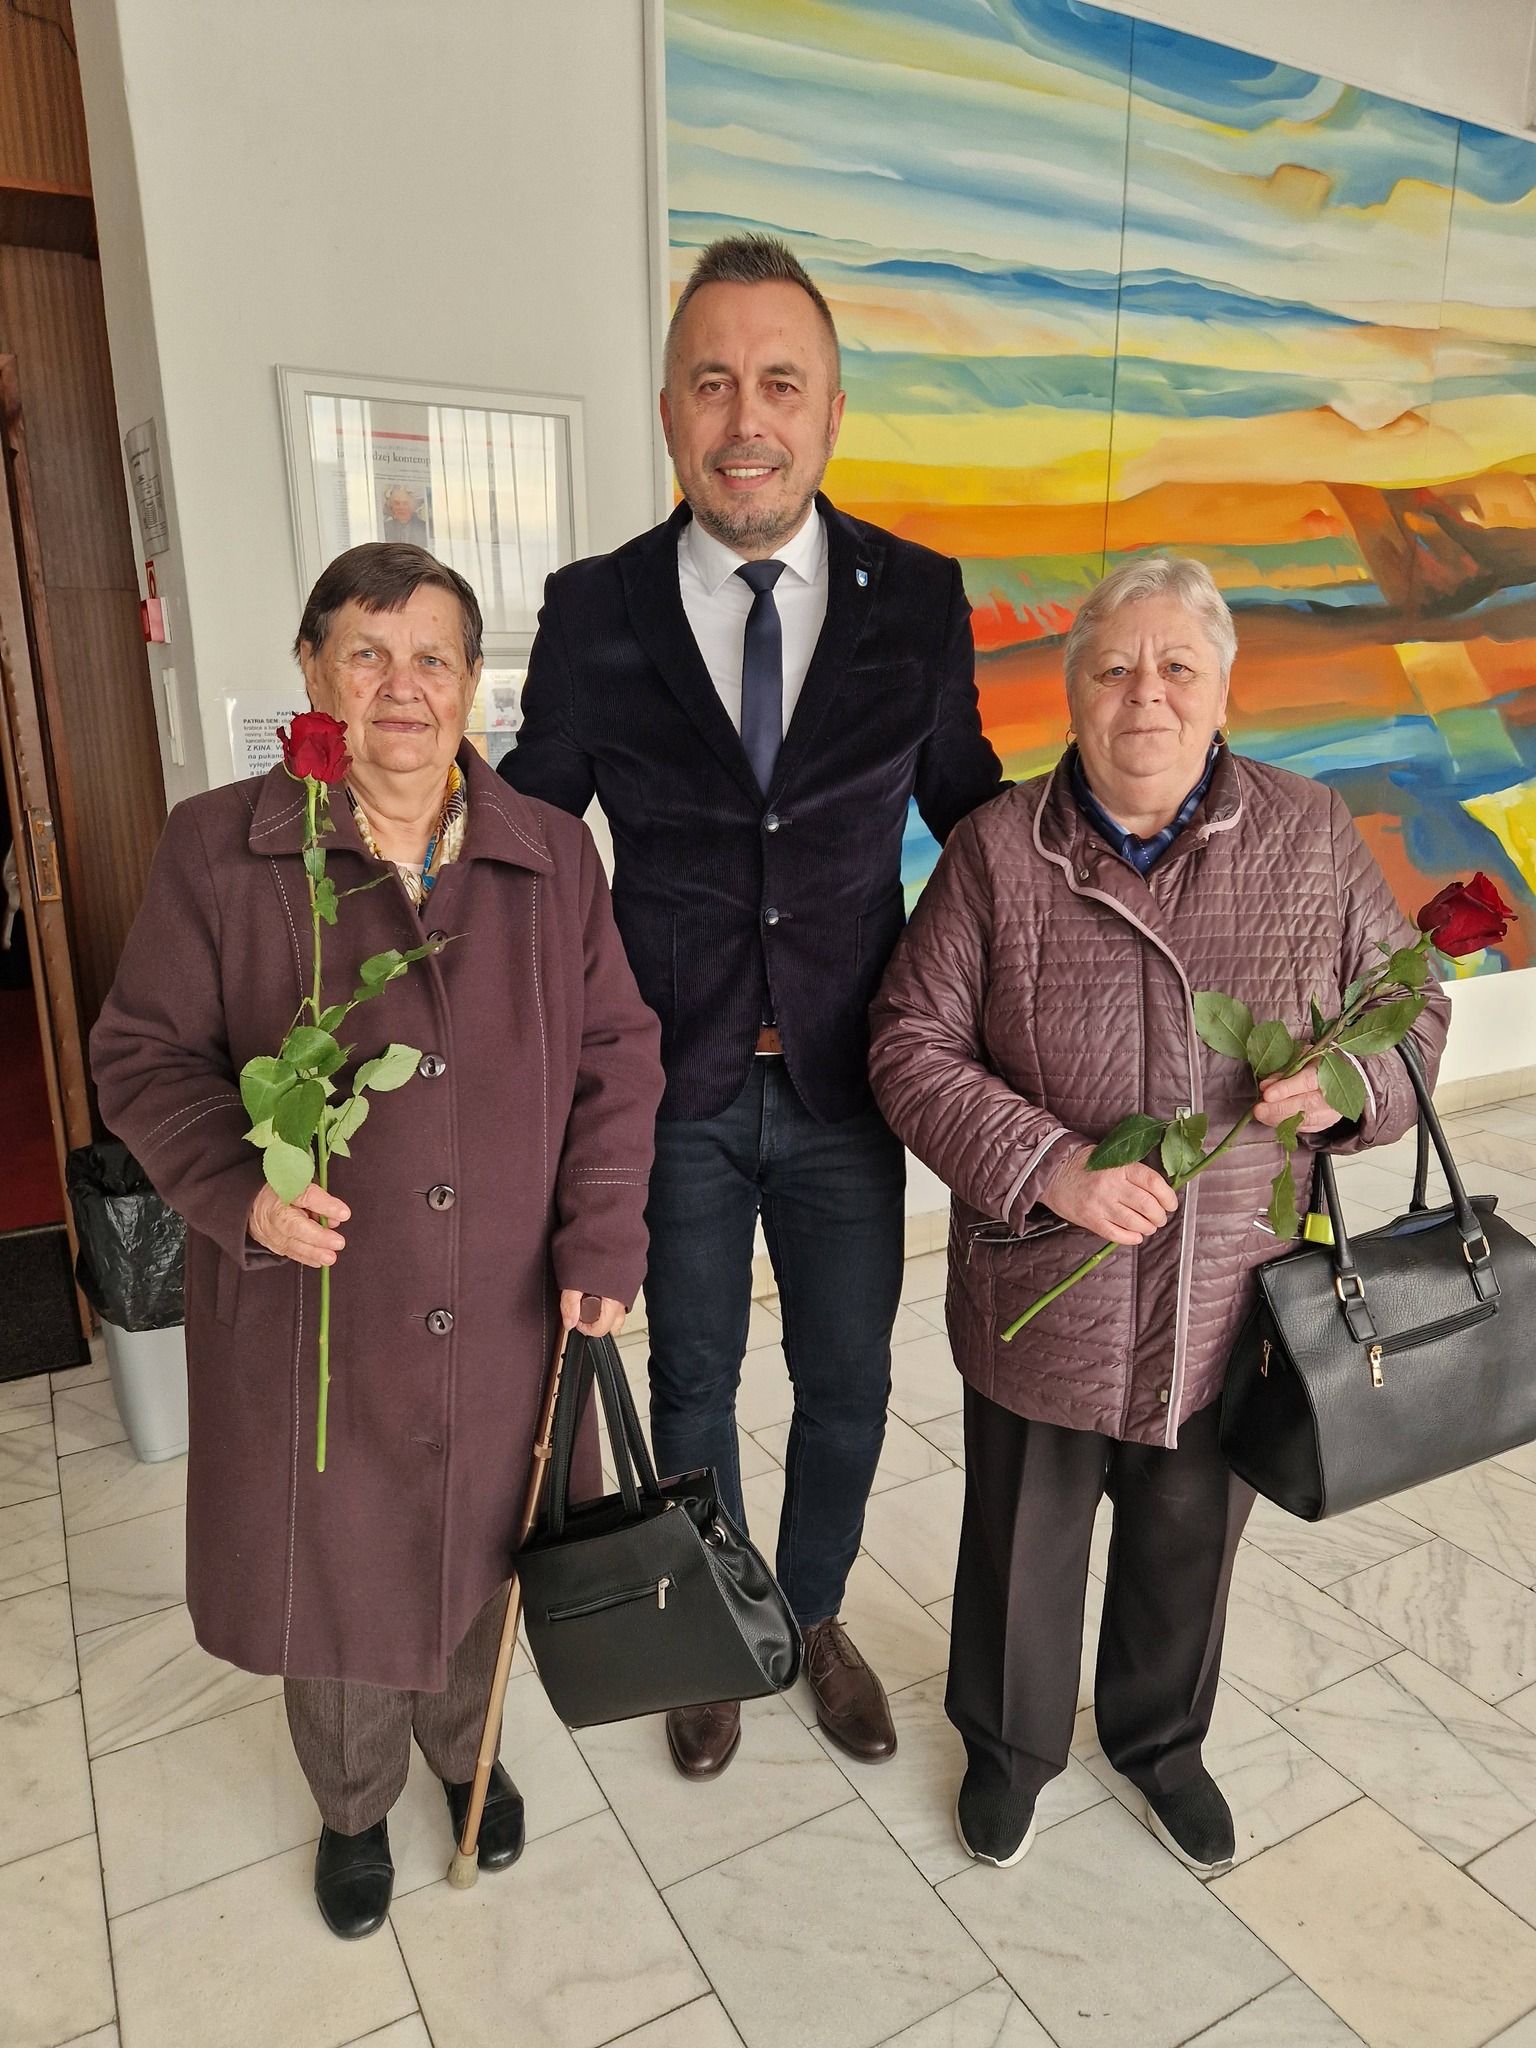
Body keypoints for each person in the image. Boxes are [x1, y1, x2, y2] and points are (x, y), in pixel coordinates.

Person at [91, 542, 663, 1937]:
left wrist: (602, 1242)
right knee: (338, 1558)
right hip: (318, 1300)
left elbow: (618, 1054)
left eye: (433, 659)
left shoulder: (549, 854)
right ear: (312, 670)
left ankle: (467, 1756)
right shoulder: (222, 849)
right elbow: (144, 1055)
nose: (402, 687)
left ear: (473, 685)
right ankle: (351, 1804)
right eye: (366, 653)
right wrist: (243, 1194)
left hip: (509, 1301)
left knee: (486, 1541)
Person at [500, 234, 1005, 1778]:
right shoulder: (593, 606)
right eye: (712, 382)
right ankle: (715, 1624)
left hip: (857, 1075)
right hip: (674, 1082)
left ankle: (817, 1607)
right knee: (694, 1376)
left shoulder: (918, 599)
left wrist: (1139, 883)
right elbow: (532, 825)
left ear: (830, 411)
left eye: (781, 383)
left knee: (851, 1379)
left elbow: (975, 813)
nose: (746, 419)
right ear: (668, 410)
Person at [868, 555, 1450, 1874]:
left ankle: (1162, 1746)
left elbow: (1410, 1009)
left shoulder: (1309, 834)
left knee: (1190, 1541)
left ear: (1223, 689)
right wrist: (1050, 1165)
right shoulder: (997, 851)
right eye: (1116, 668)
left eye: (1178, 666)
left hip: (1234, 1291)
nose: (1148, 693)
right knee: (1022, 1546)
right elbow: (909, 1044)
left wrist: (1350, 1087)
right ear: (1073, 694)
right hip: (1045, 1284)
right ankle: (1008, 1750)